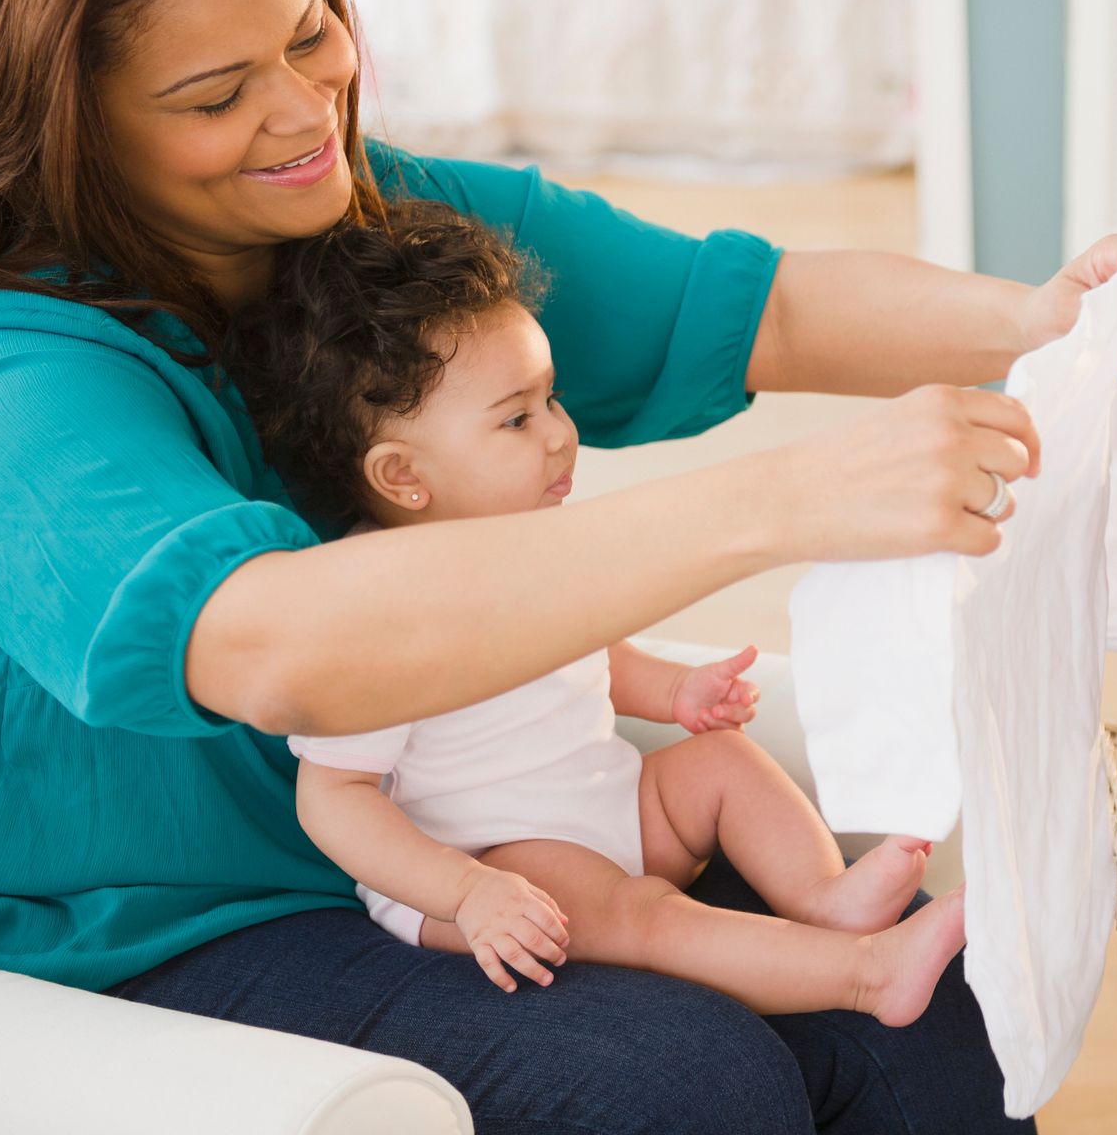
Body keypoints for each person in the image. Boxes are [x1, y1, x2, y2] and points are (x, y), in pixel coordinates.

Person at [0, 0, 1117, 1133]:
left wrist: (1040, 318)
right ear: (67, 123)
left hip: (429, 838)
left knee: (938, 1034)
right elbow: (269, 644)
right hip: (119, 926)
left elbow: (747, 306)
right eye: (215, 95)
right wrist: (787, 501)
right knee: (682, 1085)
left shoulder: (371, 231)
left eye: (311, 32)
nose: (301, 109)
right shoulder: (1, 402)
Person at [231, 200, 961, 1020]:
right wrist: (468, 891)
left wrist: (672, 692)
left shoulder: (536, 543)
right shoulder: (368, 609)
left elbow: (586, 652)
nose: (560, 435)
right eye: (515, 418)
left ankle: (824, 897)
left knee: (721, 763)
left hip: (611, 803)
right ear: (403, 475)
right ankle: (865, 975)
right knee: (643, 917)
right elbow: (334, 796)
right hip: (502, 858)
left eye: (552, 400)